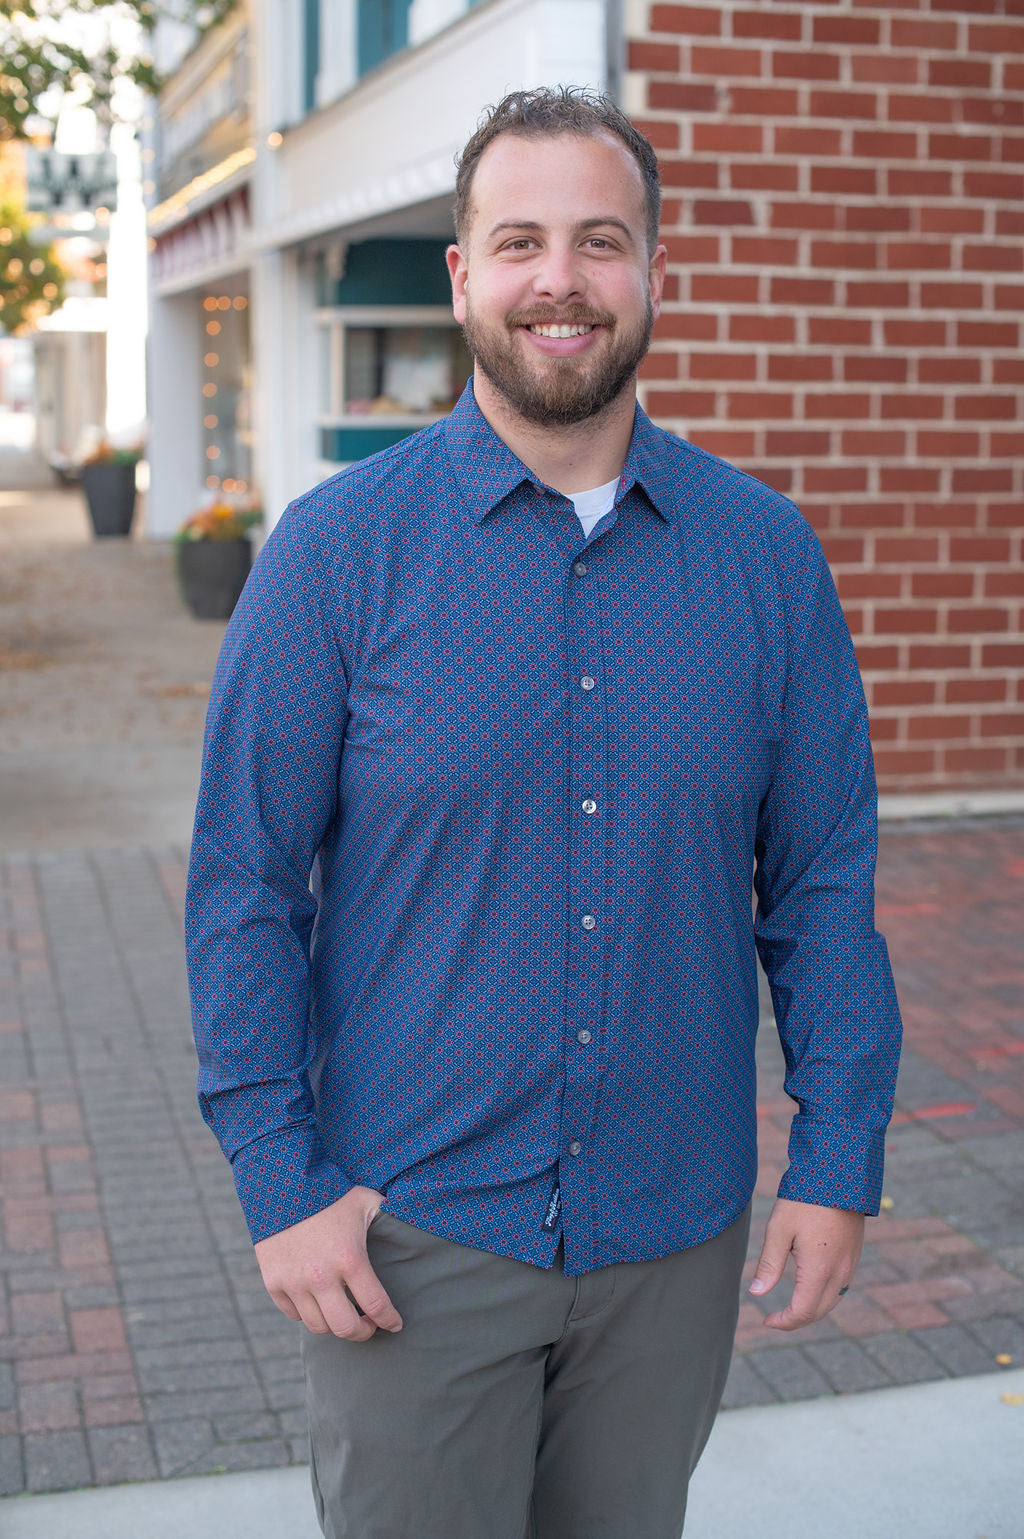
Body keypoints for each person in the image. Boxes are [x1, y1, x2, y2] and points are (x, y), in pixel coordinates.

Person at [185, 86, 902, 1538]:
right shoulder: (336, 554)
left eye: (599, 241)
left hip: (670, 1236)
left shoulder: (765, 558)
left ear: (655, 273)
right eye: (520, 242)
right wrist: (279, 1180)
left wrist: (838, 1158)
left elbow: (822, 888)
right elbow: (244, 885)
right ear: (463, 276)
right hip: (412, 1236)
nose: (559, 280)